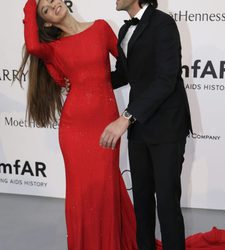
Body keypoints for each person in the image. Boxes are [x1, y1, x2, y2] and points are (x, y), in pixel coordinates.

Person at [18, 0, 140, 249]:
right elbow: (32, 45)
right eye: (45, 11)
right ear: (47, 22)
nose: (52, 7)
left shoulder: (100, 28)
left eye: (52, 1)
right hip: (74, 130)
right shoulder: (53, 49)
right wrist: (31, 5)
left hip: (105, 121)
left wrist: (101, 83)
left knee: (106, 186)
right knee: (82, 194)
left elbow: (129, 68)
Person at [100, 0, 192, 249]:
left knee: (166, 203)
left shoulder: (163, 23)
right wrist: (86, 82)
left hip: (166, 126)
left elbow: (166, 79)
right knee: (141, 201)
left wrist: (126, 117)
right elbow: (123, 74)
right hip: (139, 126)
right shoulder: (124, 30)